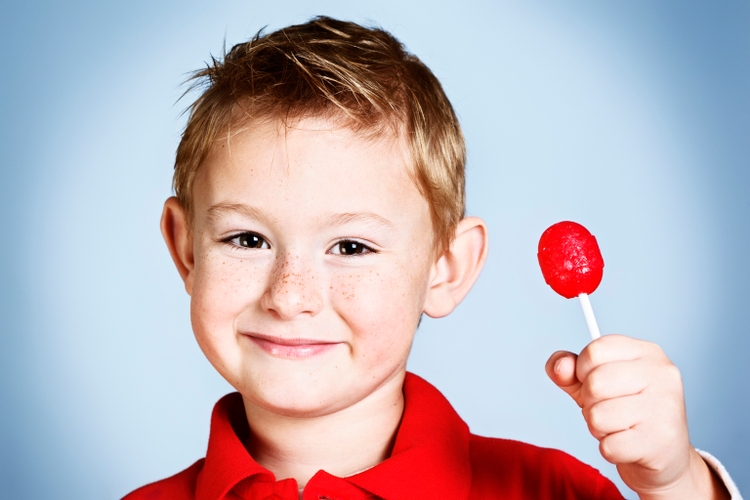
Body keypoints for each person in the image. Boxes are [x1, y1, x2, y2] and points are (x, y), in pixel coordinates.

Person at [124, 16, 739, 500]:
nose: (289, 296)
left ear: (446, 268)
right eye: (247, 240)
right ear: (185, 248)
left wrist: (676, 486)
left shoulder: (553, 492)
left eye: (351, 247)